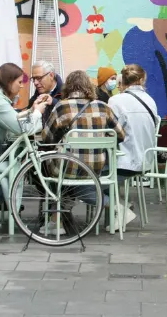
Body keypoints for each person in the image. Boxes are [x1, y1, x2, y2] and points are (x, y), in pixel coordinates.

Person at [41, 70, 129, 228]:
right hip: (96, 168)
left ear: (68, 87)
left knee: (50, 167)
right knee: (72, 175)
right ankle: (57, 220)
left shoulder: (62, 107)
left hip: (67, 168)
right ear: (89, 86)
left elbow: (47, 139)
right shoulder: (103, 108)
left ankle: (56, 221)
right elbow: (120, 135)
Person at [0, 63, 52, 219]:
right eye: (19, 82)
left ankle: (5, 205)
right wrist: (37, 113)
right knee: (14, 167)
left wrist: (33, 110)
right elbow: (20, 128)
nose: (21, 86)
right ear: (9, 81)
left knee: (14, 164)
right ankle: (10, 208)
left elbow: (14, 119)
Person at [108, 64, 159, 218]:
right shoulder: (151, 101)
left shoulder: (115, 100)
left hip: (123, 163)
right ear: (142, 79)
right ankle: (118, 203)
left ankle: (118, 207)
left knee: (87, 181)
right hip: (145, 161)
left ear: (122, 80)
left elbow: (110, 133)